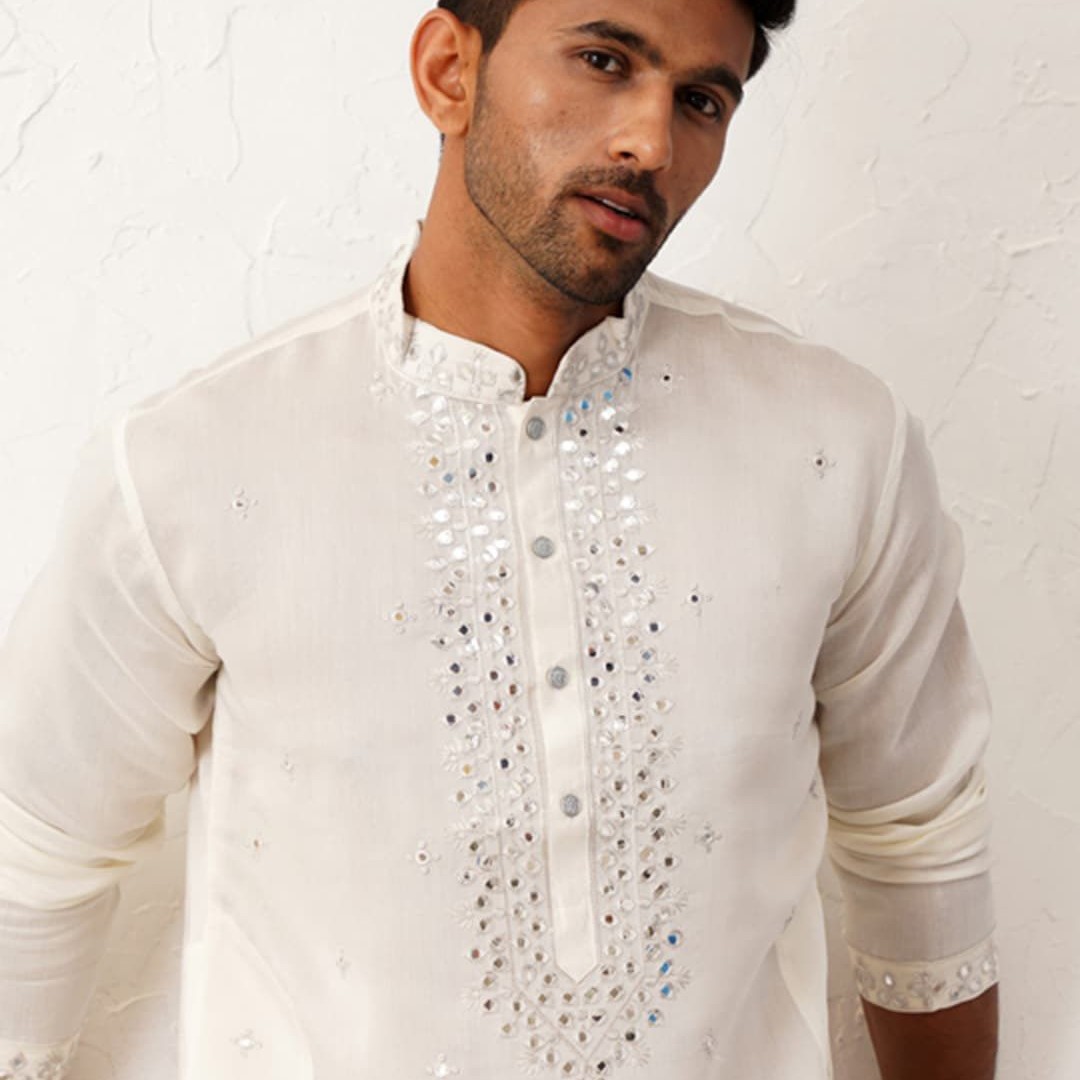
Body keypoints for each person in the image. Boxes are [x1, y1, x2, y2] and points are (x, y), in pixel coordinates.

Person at [0, 1, 1000, 1077]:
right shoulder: (195, 463)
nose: (651, 142)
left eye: (702, 101)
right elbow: (33, 858)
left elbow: (917, 840)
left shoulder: (838, 444)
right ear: (448, 70)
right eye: (604, 59)